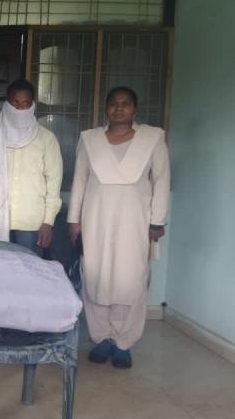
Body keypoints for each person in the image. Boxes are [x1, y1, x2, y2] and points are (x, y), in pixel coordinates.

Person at [67, 86, 170, 369]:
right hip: (95, 219)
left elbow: (161, 181)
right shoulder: (89, 139)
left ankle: (124, 342)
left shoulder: (152, 138)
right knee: (96, 276)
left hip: (135, 220)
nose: (119, 108)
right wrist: (74, 220)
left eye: (125, 103)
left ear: (134, 109)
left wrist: (157, 221)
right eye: (113, 103)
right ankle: (101, 338)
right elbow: (79, 180)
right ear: (106, 108)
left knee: (131, 278)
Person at [0, 79, 63, 256]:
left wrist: (48, 221)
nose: (20, 109)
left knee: (29, 271)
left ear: (32, 105)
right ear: (7, 103)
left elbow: (54, 183)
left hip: (32, 223)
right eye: (15, 103)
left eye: (25, 103)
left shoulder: (46, 138)